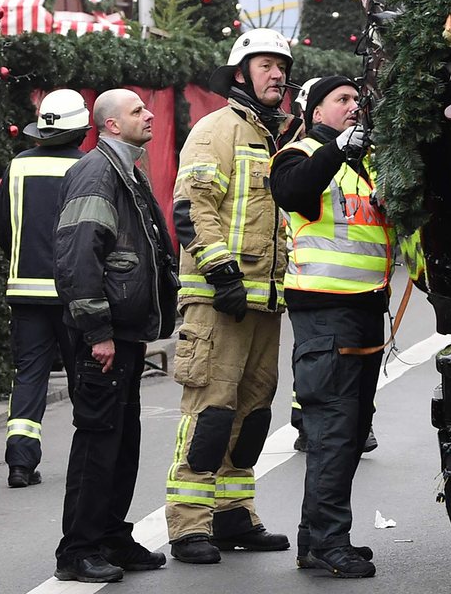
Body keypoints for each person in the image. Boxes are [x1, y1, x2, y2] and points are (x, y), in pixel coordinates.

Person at [163, 28, 298, 565]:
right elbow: (191, 209)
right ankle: (188, 525)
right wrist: (222, 277)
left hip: (266, 301)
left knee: (253, 412)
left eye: (281, 66)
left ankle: (233, 514)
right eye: (265, 65)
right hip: (219, 298)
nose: (277, 75)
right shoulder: (215, 130)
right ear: (241, 74)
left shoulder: (279, 136)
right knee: (210, 411)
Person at [50, 89, 177, 584]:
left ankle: (110, 537)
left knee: (123, 442)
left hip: (125, 334)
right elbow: (79, 257)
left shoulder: (126, 170)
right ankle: (77, 550)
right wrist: (97, 331)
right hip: (104, 337)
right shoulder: (97, 173)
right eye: (136, 111)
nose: (148, 115)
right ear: (110, 125)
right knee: (98, 441)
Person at [271, 74, 390, 579]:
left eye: (357, 101)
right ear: (316, 111)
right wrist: (336, 149)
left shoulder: (362, 169)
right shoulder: (297, 155)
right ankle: (327, 542)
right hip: (325, 314)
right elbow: (295, 192)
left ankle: (316, 539)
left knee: (351, 431)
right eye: (342, 100)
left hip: (364, 313)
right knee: (332, 433)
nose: (353, 107)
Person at [0, 89, 90, 489]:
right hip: (75, 293)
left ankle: (20, 462)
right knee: (82, 377)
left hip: (26, 292)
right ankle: (88, 460)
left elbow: (3, 229)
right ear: (81, 130)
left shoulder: (17, 167)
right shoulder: (89, 168)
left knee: (29, 374)